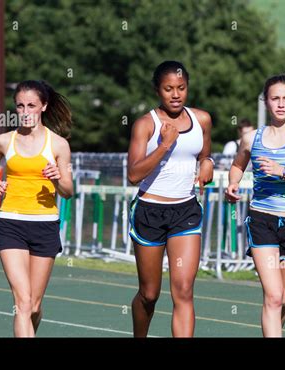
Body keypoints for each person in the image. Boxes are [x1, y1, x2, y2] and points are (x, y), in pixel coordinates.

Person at [225, 75, 285, 337]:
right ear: (265, 101)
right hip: (262, 220)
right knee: (274, 296)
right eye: (274, 98)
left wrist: (283, 172)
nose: (280, 104)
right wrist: (233, 184)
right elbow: (237, 165)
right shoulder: (251, 138)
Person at [127, 61, 213, 337]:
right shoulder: (145, 124)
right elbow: (133, 175)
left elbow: (204, 155)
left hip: (185, 211)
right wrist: (164, 145)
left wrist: (208, 163)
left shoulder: (202, 120)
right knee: (149, 294)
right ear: (157, 90)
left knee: (184, 290)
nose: (175, 94)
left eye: (181, 88)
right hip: (150, 211)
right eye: (168, 89)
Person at [0, 80, 74, 337]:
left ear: (43, 106)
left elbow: (68, 191)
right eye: (20, 106)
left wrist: (57, 178)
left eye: (31, 105)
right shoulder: (3, 141)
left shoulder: (58, 145)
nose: (25, 111)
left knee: (33, 306)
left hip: (45, 225)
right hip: (11, 223)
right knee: (22, 302)